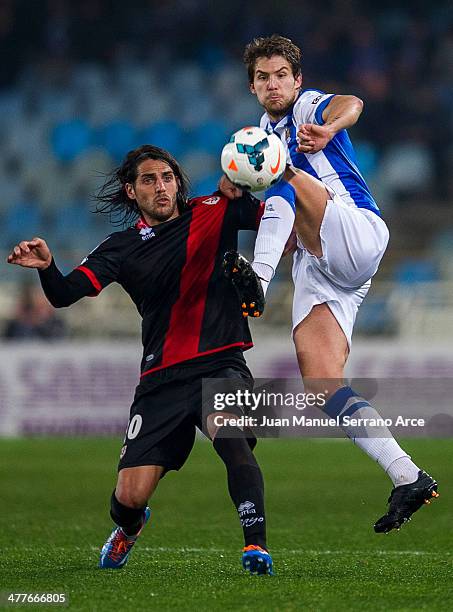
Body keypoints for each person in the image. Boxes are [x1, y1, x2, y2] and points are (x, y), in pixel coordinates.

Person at [6, 144, 273, 575]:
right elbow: (63, 294)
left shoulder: (214, 208)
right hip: (161, 378)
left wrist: (255, 192)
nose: (161, 187)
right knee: (128, 499)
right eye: (149, 180)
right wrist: (47, 266)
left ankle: (255, 548)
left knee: (232, 440)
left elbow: (278, 225)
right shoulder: (122, 247)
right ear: (131, 191)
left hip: (221, 362)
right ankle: (129, 529)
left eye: (167, 177)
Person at [226, 34, 439, 533]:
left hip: (356, 229)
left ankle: (257, 279)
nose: (273, 84)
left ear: (297, 80)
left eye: (281, 75)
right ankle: (407, 474)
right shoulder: (263, 127)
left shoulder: (307, 108)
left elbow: (353, 103)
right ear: (253, 86)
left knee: (271, 164)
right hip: (320, 265)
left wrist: (327, 129)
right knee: (323, 384)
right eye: (263, 78)